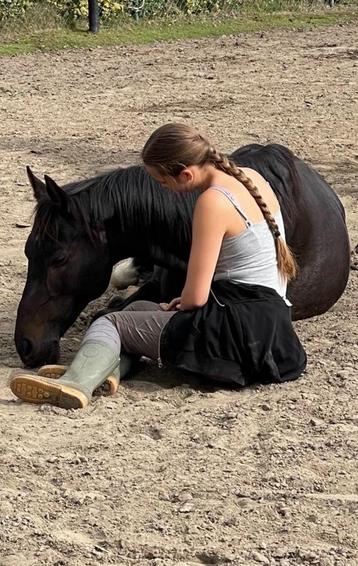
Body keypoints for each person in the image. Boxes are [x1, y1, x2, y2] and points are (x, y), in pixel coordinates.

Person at [10, 123, 306, 409]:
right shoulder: (251, 178)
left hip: (233, 331)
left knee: (109, 322)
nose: (167, 192)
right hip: (270, 326)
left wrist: (182, 302)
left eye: (164, 183)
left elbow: (197, 297)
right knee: (135, 313)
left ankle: (75, 384)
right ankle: (106, 373)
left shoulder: (211, 204)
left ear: (186, 174)